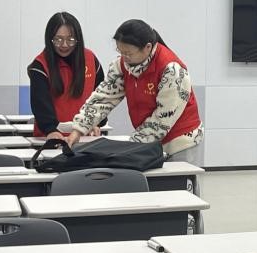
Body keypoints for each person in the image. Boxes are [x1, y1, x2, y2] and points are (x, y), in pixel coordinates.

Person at [66, 19, 203, 161]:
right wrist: (79, 129)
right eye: (120, 51)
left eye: (129, 53)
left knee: (176, 175)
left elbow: (163, 117)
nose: (124, 58)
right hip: (149, 140)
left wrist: (133, 145)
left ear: (148, 47)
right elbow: (104, 98)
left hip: (179, 142)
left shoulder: (172, 70)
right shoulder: (123, 65)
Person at [26, 12, 104, 140]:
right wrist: (51, 129)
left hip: (85, 137)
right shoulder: (40, 65)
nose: (64, 45)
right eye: (58, 39)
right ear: (50, 39)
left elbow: (101, 97)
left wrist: (96, 122)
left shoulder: (90, 60)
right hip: (51, 137)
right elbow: (40, 105)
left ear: (78, 39)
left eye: (70, 39)